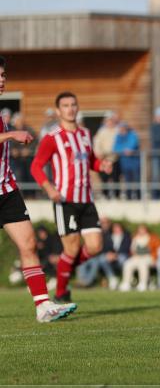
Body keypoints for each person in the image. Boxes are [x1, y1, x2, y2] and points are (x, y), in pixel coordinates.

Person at [0, 60, 74, 322]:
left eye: (3, 75)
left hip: (6, 190)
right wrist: (11, 135)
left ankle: (43, 306)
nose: (2, 80)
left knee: (29, 244)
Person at [30, 91, 114, 305]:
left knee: (95, 247)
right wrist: (49, 188)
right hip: (64, 200)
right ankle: (60, 293)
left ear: (77, 108)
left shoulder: (85, 134)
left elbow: (91, 161)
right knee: (72, 248)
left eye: (73, 104)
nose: (70, 108)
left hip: (86, 199)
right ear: (58, 111)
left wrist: (101, 165)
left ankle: (62, 271)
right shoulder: (52, 138)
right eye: (65, 105)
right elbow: (36, 166)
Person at [119, 224, 160, 292]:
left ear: (146, 230)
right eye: (140, 229)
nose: (141, 231)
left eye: (143, 229)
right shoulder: (135, 238)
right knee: (127, 264)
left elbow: (158, 249)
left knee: (142, 264)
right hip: (137, 257)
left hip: (149, 257)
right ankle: (126, 283)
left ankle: (143, 284)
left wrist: (156, 259)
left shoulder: (153, 237)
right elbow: (132, 250)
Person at [93, 112, 120, 198]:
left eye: (111, 120)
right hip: (104, 159)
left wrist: (116, 152)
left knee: (115, 177)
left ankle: (116, 195)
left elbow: (120, 143)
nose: (109, 122)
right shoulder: (102, 131)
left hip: (114, 158)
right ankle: (105, 194)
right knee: (104, 177)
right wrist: (98, 153)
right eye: (108, 121)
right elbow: (97, 143)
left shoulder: (117, 130)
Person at [113, 121, 141, 200]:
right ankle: (128, 197)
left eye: (123, 128)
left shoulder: (132, 135)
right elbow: (115, 148)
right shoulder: (118, 136)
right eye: (120, 128)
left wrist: (124, 149)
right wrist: (125, 150)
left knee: (137, 179)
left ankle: (139, 197)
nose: (122, 130)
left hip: (134, 162)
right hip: (125, 163)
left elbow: (132, 145)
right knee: (127, 180)